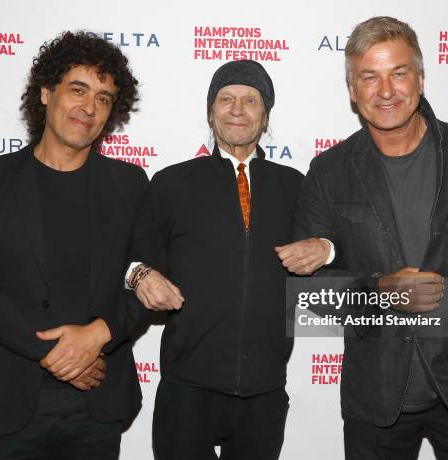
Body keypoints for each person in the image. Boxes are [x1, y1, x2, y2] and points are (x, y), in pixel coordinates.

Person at [287, 16, 448, 460]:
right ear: (352, 90)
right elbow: (310, 296)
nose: (386, 91)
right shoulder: (329, 173)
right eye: (370, 77)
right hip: (375, 396)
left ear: (420, 79)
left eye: (399, 73)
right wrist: (381, 292)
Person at [0, 31, 149, 459]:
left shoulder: (130, 185)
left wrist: (98, 334)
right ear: (45, 93)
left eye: (103, 98)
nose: (89, 107)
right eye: (78, 89)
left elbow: (145, 278)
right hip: (3, 404)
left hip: (97, 405)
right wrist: (60, 354)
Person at [129, 59, 327, 460]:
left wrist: (324, 248)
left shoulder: (296, 186)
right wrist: (139, 275)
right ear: (210, 111)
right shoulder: (171, 183)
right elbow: (135, 258)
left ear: (265, 116)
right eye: (226, 99)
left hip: (264, 387)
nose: (238, 109)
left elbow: (331, 253)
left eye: (251, 100)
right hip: (187, 386)